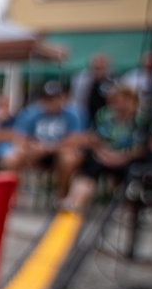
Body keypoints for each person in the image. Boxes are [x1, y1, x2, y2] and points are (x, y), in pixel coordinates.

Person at [61, 83, 145, 212]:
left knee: (133, 172)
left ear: (130, 100)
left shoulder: (141, 121)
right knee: (90, 167)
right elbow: (95, 138)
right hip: (103, 155)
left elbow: (143, 147)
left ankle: (127, 208)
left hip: (128, 159)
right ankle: (74, 201)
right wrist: (102, 153)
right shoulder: (104, 115)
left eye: (117, 100)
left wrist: (120, 157)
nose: (113, 104)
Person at [0, 80, 86, 196]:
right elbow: (20, 138)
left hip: (59, 151)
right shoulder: (30, 113)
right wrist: (32, 147)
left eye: (54, 98)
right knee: (11, 159)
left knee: (68, 159)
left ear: (62, 98)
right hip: (35, 151)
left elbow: (74, 140)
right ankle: (10, 196)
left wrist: (48, 148)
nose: (50, 102)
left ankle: (62, 196)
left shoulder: (73, 114)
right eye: (47, 98)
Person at [70, 52, 115, 125]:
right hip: (86, 111)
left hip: (106, 111)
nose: (99, 72)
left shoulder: (114, 80)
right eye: (96, 68)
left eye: (102, 68)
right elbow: (77, 101)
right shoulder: (81, 80)